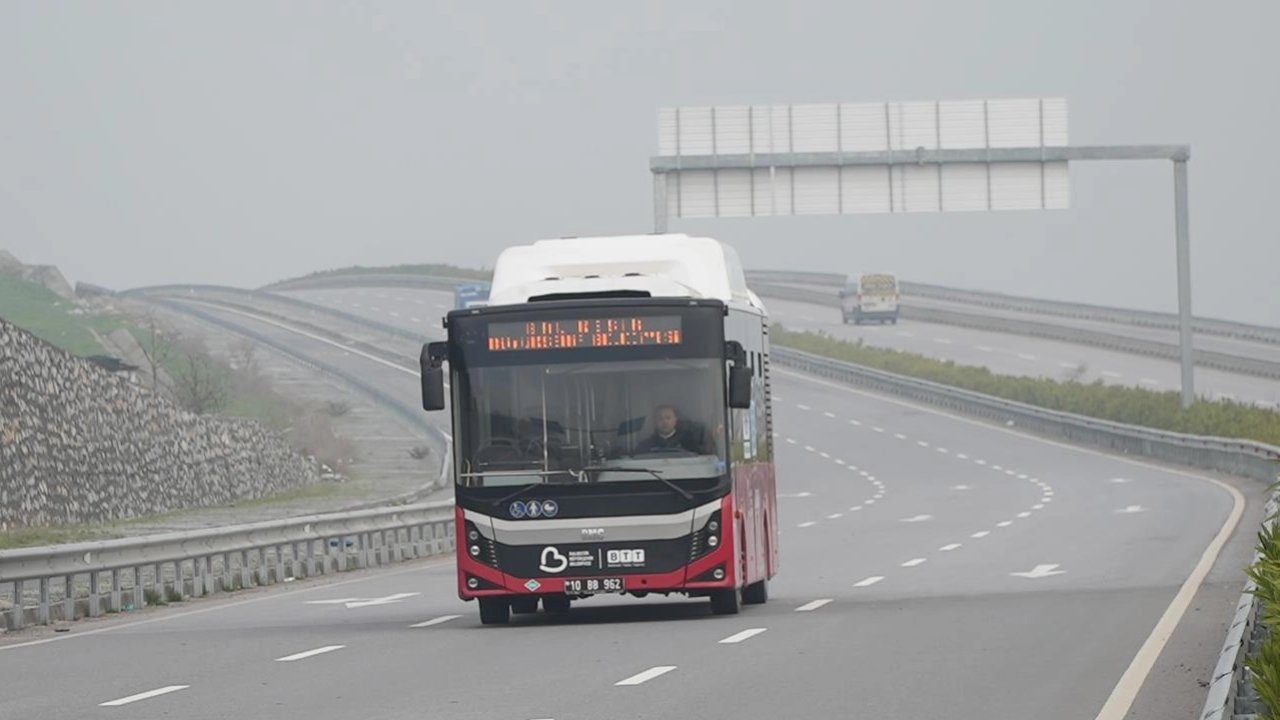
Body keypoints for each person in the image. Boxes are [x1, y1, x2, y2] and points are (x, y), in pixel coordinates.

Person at [634, 404, 712, 454]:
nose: (664, 422)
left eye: (668, 418)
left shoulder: (689, 443)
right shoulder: (645, 446)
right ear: (655, 422)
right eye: (660, 418)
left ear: (675, 420)